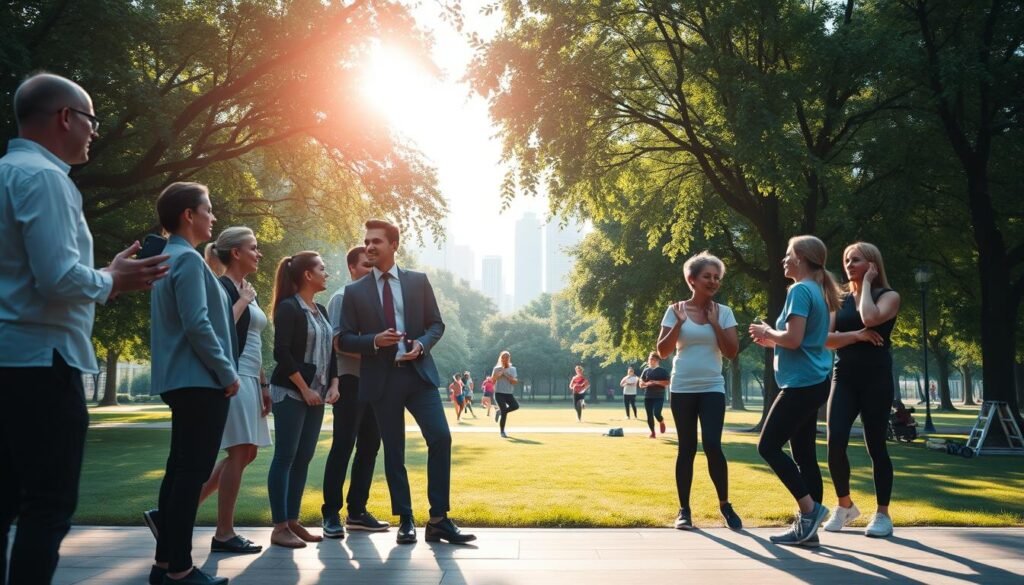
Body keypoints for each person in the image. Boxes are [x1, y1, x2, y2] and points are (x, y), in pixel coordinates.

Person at [0, 72, 169, 585]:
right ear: (65, 118)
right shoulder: (47, 178)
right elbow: (56, 280)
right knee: (47, 505)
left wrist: (106, 276)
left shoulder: (7, 171)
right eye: (91, 119)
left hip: (10, 359)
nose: (95, 131)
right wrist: (111, 277)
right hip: (44, 362)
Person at [338, 219, 475, 544]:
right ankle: (406, 520)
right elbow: (342, 339)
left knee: (440, 438)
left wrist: (422, 344)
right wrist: (375, 340)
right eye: (367, 241)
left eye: (377, 242)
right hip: (382, 380)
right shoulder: (354, 292)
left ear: (393, 245)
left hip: (418, 375)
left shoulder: (418, 281)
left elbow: (436, 324)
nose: (370, 246)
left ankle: (439, 518)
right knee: (394, 451)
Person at [148, 182, 238, 585]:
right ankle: (181, 570)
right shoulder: (185, 261)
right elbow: (197, 324)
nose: (213, 217)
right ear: (189, 214)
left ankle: (166, 566)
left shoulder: (169, 259)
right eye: (209, 209)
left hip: (183, 381)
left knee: (179, 472)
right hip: (199, 382)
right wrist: (227, 372)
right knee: (190, 475)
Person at [749, 235, 841, 547]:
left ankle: (809, 510)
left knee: (768, 446)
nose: (784, 260)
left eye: (788, 255)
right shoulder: (816, 290)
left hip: (801, 384)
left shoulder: (801, 290)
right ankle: (809, 532)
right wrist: (774, 339)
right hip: (814, 381)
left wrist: (767, 332)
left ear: (801, 257)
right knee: (804, 455)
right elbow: (801, 339)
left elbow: (794, 339)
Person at [193, 227, 272, 555]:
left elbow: (252, 341)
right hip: (233, 376)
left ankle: (174, 512)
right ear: (236, 253)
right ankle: (224, 533)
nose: (259, 253)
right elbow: (218, 329)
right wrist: (242, 300)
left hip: (251, 378)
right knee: (239, 452)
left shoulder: (245, 288)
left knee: (247, 452)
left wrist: (264, 383)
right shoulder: (223, 287)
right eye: (253, 248)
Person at [655, 251, 742, 530]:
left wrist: (715, 323)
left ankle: (725, 506)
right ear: (692, 279)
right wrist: (679, 323)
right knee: (687, 448)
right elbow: (663, 351)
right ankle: (684, 510)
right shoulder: (675, 310)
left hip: (712, 388)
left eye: (717, 277)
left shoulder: (724, 312)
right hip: (682, 388)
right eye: (708, 276)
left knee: (714, 446)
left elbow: (731, 352)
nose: (714, 281)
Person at [823, 242, 900, 538]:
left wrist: (866, 284)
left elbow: (870, 317)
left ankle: (882, 515)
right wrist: (856, 336)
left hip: (876, 379)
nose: (848, 264)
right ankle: (845, 505)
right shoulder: (838, 300)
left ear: (872, 263)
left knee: (876, 447)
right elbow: (827, 340)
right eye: (846, 260)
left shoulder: (889, 296)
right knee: (835, 442)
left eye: (856, 260)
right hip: (844, 378)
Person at [267, 251, 338, 548]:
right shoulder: (288, 308)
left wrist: (334, 384)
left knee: (304, 457)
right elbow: (281, 353)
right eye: (322, 268)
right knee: (285, 456)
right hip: (291, 392)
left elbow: (331, 352)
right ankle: (279, 526)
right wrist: (304, 388)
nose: (327, 273)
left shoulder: (320, 309)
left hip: (317, 395)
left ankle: (293, 521)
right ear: (308, 275)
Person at [321, 246, 390, 540]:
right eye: (365, 266)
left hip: (374, 383)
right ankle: (330, 514)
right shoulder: (342, 297)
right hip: (350, 381)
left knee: (370, 447)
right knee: (343, 445)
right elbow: (337, 342)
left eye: (374, 266)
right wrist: (379, 352)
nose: (371, 271)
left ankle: (357, 512)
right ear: (351, 267)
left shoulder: (376, 301)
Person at [638, 354, 669, 439]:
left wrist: (656, 382)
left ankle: (661, 421)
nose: (650, 361)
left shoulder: (663, 371)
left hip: (659, 396)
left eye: (652, 359)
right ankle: (653, 433)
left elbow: (667, 383)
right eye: (649, 359)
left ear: (657, 360)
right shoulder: (646, 370)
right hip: (648, 396)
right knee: (649, 415)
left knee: (657, 413)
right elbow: (641, 384)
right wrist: (644, 384)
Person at [492, 351, 520, 438]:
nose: (505, 359)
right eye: (503, 357)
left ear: (509, 358)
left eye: (507, 357)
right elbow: (493, 381)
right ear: (501, 358)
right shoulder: (497, 368)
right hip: (499, 393)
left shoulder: (513, 369)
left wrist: (507, 375)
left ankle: (499, 411)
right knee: (504, 412)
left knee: (515, 406)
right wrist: (499, 375)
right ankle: (502, 432)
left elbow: (515, 381)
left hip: (508, 393)